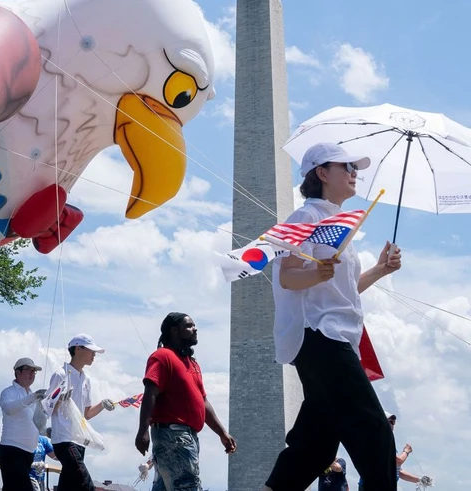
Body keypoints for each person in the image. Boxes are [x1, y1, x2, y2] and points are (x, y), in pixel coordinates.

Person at [265, 143, 403, 491]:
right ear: (322, 173)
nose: (355, 172)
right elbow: (287, 276)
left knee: (315, 445)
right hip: (321, 337)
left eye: (355, 167)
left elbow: (342, 291)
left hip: (334, 337)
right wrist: (316, 274)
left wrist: (379, 270)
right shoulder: (307, 216)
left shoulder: (337, 221)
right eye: (347, 167)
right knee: (375, 434)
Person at [134, 313, 236, 490]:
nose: (195, 329)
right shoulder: (163, 356)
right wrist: (143, 430)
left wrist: (222, 433)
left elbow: (203, 402)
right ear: (174, 331)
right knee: (187, 485)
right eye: (189, 326)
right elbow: (151, 392)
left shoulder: (191, 363)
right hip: (174, 435)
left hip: (187, 436)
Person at [47, 334, 114, 491]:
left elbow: (86, 414)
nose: (94, 355)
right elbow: (48, 408)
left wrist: (102, 404)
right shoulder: (60, 375)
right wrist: (60, 399)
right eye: (91, 351)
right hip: (64, 439)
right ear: (77, 349)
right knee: (84, 483)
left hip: (79, 440)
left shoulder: (86, 380)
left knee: (69, 486)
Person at [0, 357, 46, 491]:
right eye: (28, 370)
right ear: (17, 372)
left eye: (34, 371)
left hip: (27, 453)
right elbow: (8, 408)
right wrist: (33, 397)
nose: (32, 374)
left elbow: (37, 424)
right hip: (12, 450)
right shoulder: (9, 392)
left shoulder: (32, 395)